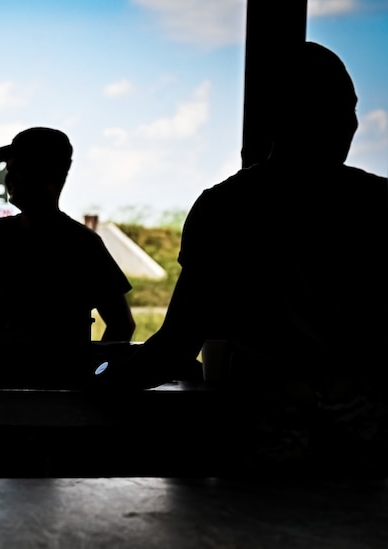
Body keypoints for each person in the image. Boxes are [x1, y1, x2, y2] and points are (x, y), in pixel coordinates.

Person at [99, 42, 387, 474]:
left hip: (265, 439)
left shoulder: (225, 208)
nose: (349, 123)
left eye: (349, 108)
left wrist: (99, 384)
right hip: (364, 443)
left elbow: (176, 348)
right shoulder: (378, 204)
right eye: (339, 108)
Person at [0, 127, 135, 388]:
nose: (9, 178)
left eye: (19, 169)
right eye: (10, 170)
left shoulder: (82, 245)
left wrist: (88, 379)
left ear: (51, 175)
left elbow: (121, 324)